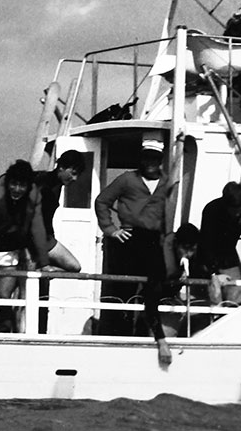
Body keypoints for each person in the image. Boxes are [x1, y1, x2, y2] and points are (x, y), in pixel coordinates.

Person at [93, 133, 177, 336]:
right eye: (147, 157)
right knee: (123, 290)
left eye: (155, 158)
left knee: (154, 289)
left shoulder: (167, 183)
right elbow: (102, 201)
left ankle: (146, 333)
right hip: (128, 238)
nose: (150, 162)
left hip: (152, 241)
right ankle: (118, 335)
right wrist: (111, 230)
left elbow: (168, 216)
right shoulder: (126, 179)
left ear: (160, 160)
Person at [0, 159, 51, 332]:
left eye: (22, 185)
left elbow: (38, 229)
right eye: (13, 184)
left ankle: (4, 339)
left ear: (28, 186)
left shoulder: (34, 195)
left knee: (5, 299)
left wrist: (44, 263)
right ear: (8, 182)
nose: (17, 189)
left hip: (10, 248)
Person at [144, 222, 200, 367]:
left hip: (172, 300)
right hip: (154, 303)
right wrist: (162, 342)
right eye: (185, 249)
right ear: (176, 244)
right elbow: (150, 302)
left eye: (192, 250)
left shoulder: (191, 256)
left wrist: (214, 275)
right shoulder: (160, 260)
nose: (188, 254)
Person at [31, 150, 85, 273]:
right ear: (61, 167)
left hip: (45, 237)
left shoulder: (56, 184)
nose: (75, 178)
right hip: (37, 238)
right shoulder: (45, 186)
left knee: (74, 267)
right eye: (73, 173)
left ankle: (39, 270)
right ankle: (38, 269)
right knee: (74, 267)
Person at [196, 182, 241, 306]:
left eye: (240, 210)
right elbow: (206, 242)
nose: (238, 214)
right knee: (214, 299)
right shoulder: (211, 210)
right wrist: (214, 273)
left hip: (229, 258)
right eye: (235, 210)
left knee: (235, 300)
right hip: (208, 260)